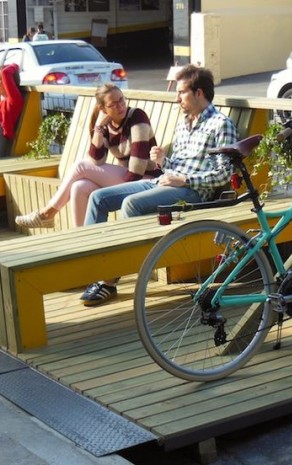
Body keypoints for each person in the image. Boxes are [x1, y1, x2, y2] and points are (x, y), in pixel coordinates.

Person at [79, 64, 238, 306]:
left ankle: (108, 280)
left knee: (131, 204)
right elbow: (180, 164)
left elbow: (225, 173)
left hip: (193, 193)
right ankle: (92, 270)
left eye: (181, 92)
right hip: (164, 182)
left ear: (199, 93)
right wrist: (164, 161)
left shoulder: (220, 125)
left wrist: (183, 180)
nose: (177, 98)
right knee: (98, 198)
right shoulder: (184, 124)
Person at [14, 83, 161, 229]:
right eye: (113, 104)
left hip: (147, 179)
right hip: (127, 178)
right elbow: (97, 160)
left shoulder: (137, 117)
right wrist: (98, 129)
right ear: (103, 109)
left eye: (121, 100)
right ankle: (82, 238)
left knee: (81, 166)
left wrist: (114, 190)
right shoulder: (106, 125)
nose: (120, 106)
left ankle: (47, 213)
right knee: (79, 187)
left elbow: (137, 168)